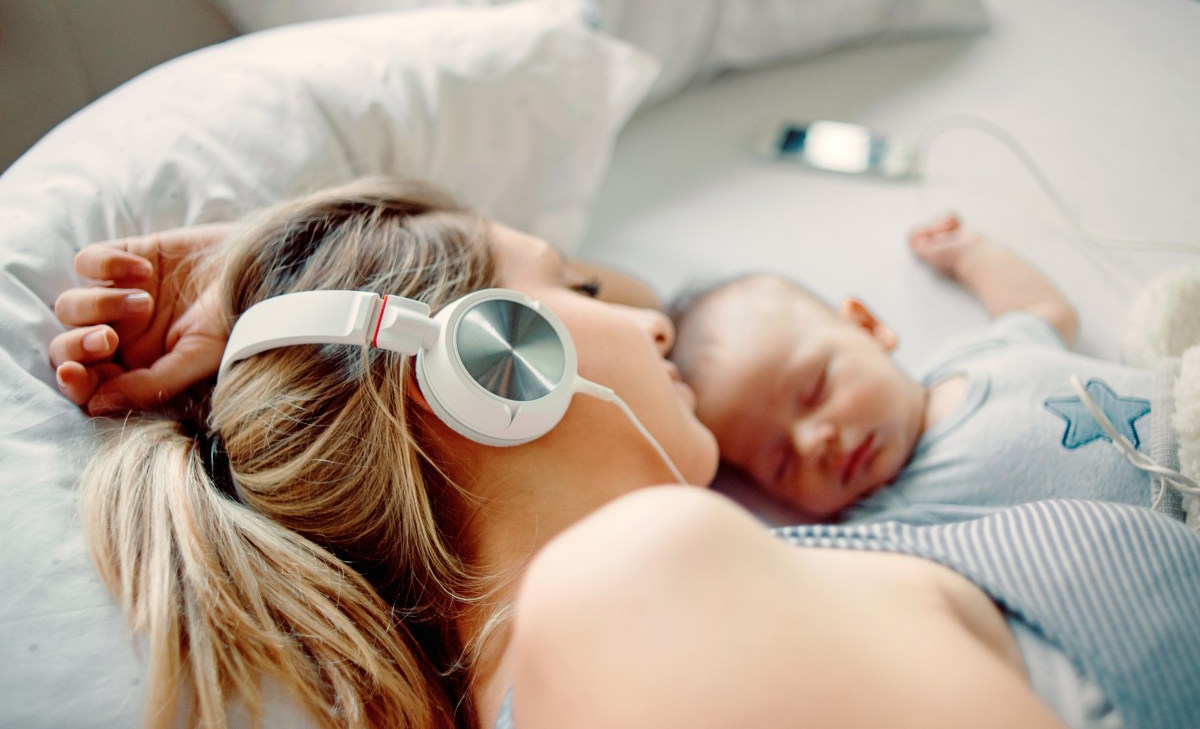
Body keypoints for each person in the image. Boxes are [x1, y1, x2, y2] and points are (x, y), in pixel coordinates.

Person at [51, 178, 1200, 729]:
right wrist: (331, 287)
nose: (652, 323)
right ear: (484, 367)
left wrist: (283, 267)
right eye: (577, 286)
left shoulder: (596, 635)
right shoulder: (629, 587)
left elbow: (678, 327)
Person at [668, 213, 1191, 525]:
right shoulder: (887, 526)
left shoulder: (978, 359)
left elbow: (1043, 313)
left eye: (814, 390)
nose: (813, 442)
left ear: (868, 327)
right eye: (779, 463)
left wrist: (970, 255)